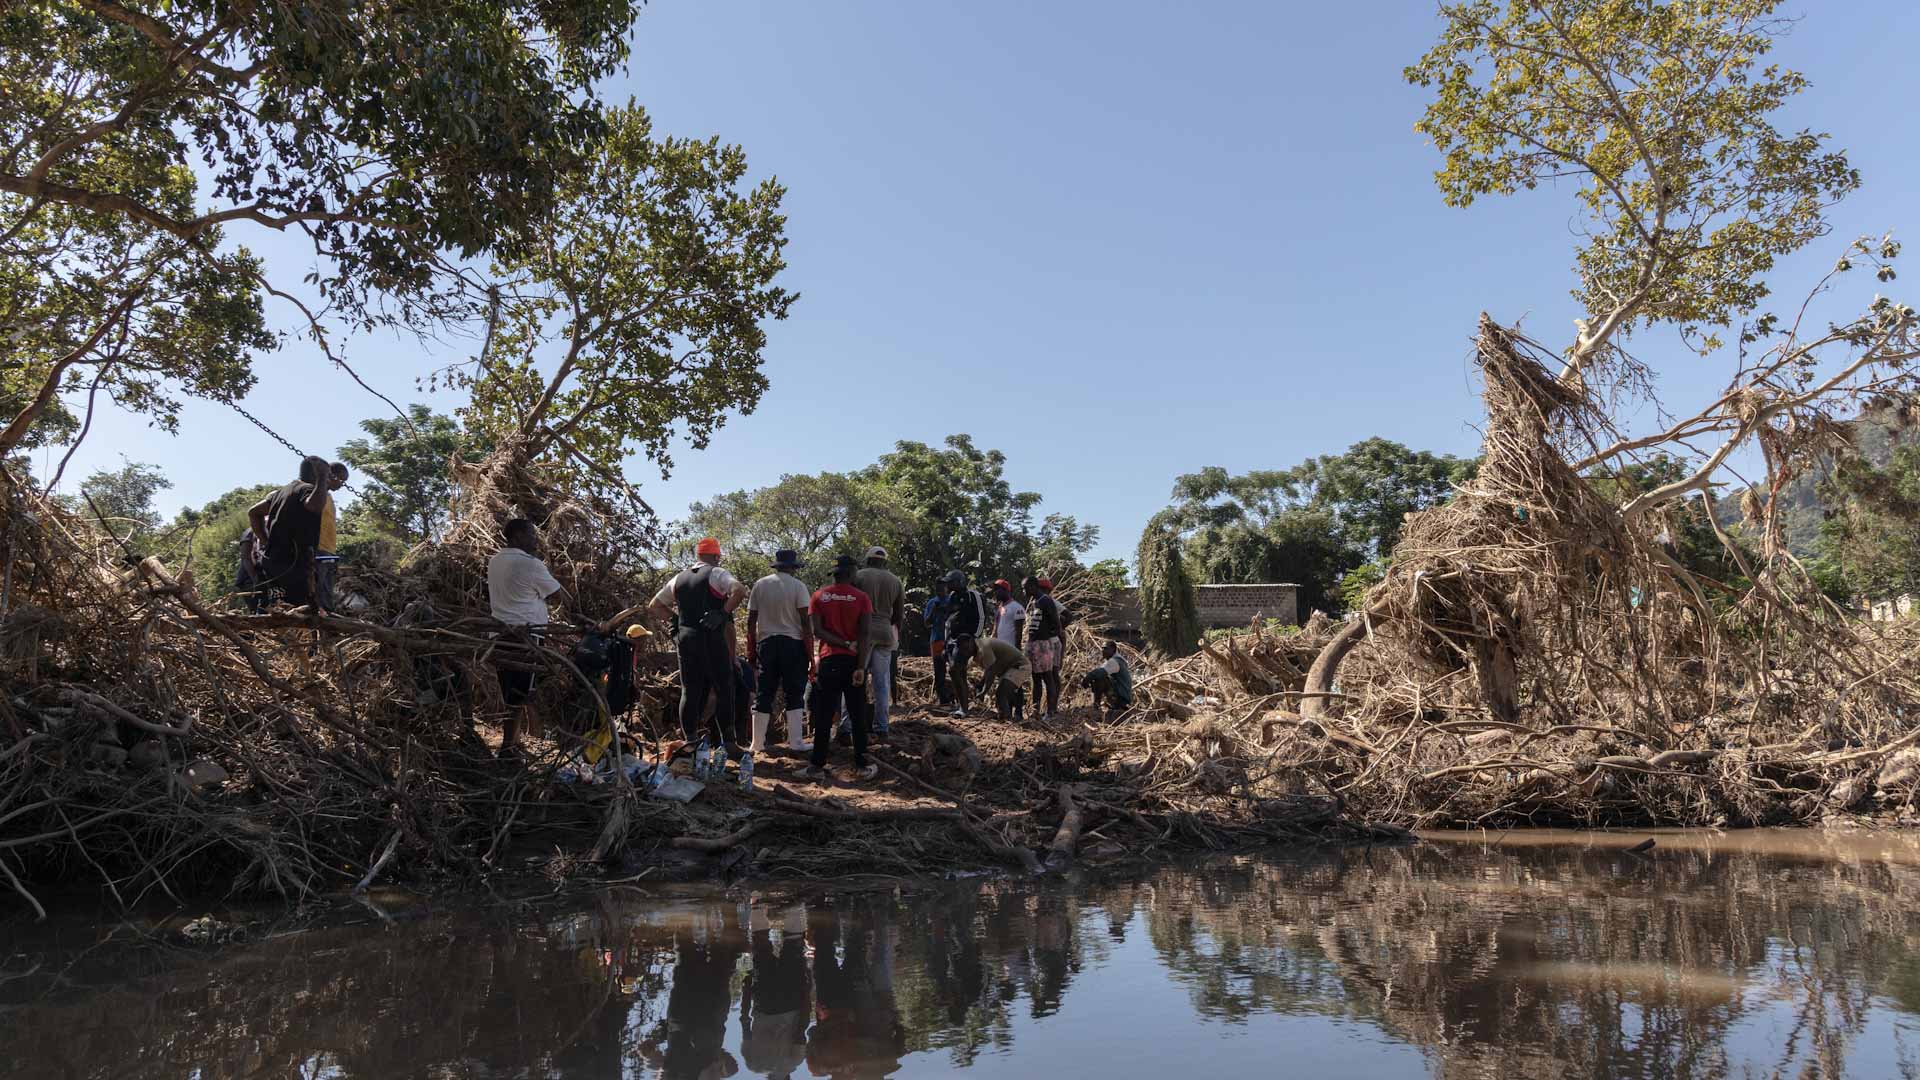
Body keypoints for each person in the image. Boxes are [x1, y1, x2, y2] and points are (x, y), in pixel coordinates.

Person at [647, 537, 748, 757]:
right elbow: (739, 590)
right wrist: (722, 613)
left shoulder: (678, 578)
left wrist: (676, 620)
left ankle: (690, 742)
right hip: (711, 639)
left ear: (698, 556)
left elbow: (654, 606)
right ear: (716, 556)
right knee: (724, 689)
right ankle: (729, 744)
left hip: (686, 641)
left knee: (689, 691)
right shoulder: (717, 573)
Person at [486, 517, 572, 752]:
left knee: (510, 692)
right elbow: (560, 596)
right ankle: (508, 748)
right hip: (526, 638)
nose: (536, 539)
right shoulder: (531, 564)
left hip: (499, 636)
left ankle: (513, 742)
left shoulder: (495, 561)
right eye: (531, 534)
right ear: (517, 536)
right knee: (520, 695)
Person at [805, 555, 875, 782]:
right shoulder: (862, 598)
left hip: (828, 661)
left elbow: (817, 631)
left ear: (834, 574)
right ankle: (862, 764)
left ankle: (816, 766)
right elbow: (865, 633)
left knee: (824, 714)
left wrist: (841, 643)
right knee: (857, 714)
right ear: (852, 573)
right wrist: (861, 666)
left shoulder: (819, 596)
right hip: (853, 663)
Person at [747, 549, 813, 755]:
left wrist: (752, 648)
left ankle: (757, 744)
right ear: (793, 567)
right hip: (793, 644)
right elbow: (805, 622)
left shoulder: (760, 585)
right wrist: (810, 653)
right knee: (794, 692)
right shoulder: (798, 586)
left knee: (764, 691)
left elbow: (751, 620)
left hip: (766, 644)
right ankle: (796, 742)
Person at [246, 455, 332, 609]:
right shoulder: (307, 489)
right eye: (327, 477)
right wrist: (322, 479)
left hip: (273, 563)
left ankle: (280, 623)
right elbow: (314, 506)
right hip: (293, 564)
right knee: (300, 609)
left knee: (278, 604)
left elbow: (253, 512)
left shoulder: (281, 492)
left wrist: (265, 541)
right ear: (316, 474)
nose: (328, 482)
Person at [740, 904, 811, 1080]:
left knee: (793, 946)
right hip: (763, 1000)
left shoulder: (793, 1062)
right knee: (761, 946)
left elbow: (802, 1027)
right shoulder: (753, 1065)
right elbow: (745, 1021)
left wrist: (806, 990)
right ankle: (756, 902)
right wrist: (747, 987)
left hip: (790, 1000)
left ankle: (794, 906)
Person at [851, 547, 905, 744]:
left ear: (868, 560)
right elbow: (898, 615)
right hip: (885, 632)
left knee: (855, 679)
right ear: (884, 562)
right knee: (882, 683)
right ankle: (882, 727)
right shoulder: (895, 581)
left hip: (862, 633)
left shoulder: (859, 576)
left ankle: (847, 727)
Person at [941, 571, 988, 718]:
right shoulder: (952, 597)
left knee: (954, 669)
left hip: (966, 640)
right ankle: (962, 706)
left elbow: (982, 617)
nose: (948, 585)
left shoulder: (973, 595)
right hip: (952, 640)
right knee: (958, 672)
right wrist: (945, 644)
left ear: (959, 581)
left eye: (951, 582)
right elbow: (948, 621)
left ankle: (963, 708)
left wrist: (974, 638)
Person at [1022, 577, 1065, 719]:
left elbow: (1057, 624)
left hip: (1042, 644)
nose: (1023, 591)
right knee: (1036, 679)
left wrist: (1047, 635)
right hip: (1033, 643)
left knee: (1048, 678)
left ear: (1033, 586)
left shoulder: (1046, 601)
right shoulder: (1035, 602)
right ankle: (1035, 711)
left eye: (1025, 588)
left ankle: (1051, 711)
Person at [312, 462, 349, 612]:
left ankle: (327, 618)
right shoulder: (314, 493)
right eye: (341, 480)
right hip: (317, 549)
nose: (342, 485)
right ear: (331, 475)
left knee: (327, 590)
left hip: (329, 551)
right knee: (317, 589)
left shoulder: (329, 498)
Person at [973, 635, 1033, 721]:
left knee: (1002, 693)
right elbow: (989, 669)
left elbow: (991, 671)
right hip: (1008, 669)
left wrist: (984, 691)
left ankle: (1007, 718)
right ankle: (1008, 715)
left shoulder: (984, 647)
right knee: (1007, 692)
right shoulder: (980, 646)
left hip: (1019, 666)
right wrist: (981, 684)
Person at [1084, 641, 1134, 717]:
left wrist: (1087, 678)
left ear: (1113, 649)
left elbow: (1100, 672)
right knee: (1097, 676)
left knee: (1099, 678)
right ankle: (1102, 704)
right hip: (1122, 697)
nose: (1103, 651)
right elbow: (1100, 670)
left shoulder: (1115, 661)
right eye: (1102, 648)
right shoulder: (1116, 660)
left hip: (1121, 698)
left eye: (1105, 648)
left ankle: (1097, 706)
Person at [923, 588, 954, 706]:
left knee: (954, 669)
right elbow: (926, 623)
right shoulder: (932, 603)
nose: (940, 589)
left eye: (942, 585)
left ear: (946, 587)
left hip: (951, 639)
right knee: (939, 671)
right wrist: (934, 610)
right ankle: (943, 699)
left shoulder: (952, 600)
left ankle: (955, 697)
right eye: (938, 586)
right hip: (936, 639)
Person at [234, 526, 264, 613]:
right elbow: (246, 558)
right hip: (249, 579)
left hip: (261, 577)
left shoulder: (269, 528)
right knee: (257, 608)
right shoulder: (249, 533)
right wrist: (255, 579)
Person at [990, 579, 1025, 646]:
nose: (995, 592)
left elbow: (1019, 632)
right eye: (994, 590)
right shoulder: (999, 608)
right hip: (999, 647)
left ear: (1006, 591)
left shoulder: (1017, 607)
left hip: (1010, 647)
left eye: (997, 590)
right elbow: (995, 629)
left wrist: (1017, 648)